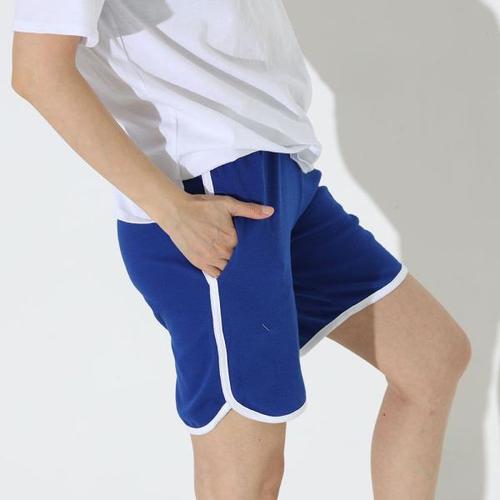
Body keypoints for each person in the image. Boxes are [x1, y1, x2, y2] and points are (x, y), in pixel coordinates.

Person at [10, 1, 471, 498]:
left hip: (281, 171)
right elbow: (37, 69)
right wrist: (170, 208)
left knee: (431, 359)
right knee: (246, 474)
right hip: (209, 188)